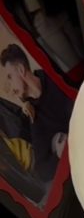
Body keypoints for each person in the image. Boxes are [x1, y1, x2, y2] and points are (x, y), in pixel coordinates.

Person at [0, 44, 73, 182]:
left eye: (10, 77)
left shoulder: (54, 76)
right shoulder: (34, 117)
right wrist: (58, 153)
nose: (9, 87)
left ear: (21, 70)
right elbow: (42, 171)